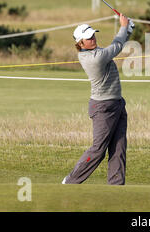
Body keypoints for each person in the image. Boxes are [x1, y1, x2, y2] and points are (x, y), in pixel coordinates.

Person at [62, 14, 134, 184]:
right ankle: (70, 181)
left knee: (118, 147)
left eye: (93, 35)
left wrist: (128, 30)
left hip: (117, 103)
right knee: (98, 150)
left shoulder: (97, 51)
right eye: (88, 38)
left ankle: (116, 187)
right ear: (80, 43)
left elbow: (117, 44)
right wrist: (124, 27)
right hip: (103, 107)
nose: (93, 39)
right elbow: (116, 47)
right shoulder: (93, 58)